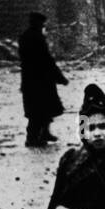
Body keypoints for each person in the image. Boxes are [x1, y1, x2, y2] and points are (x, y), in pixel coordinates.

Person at [19, 12, 67, 147]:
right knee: (39, 110)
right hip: (40, 79)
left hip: (32, 79)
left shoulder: (26, 37)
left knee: (40, 109)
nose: (42, 26)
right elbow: (46, 59)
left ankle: (43, 133)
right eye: (41, 24)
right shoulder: (36, 38)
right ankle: (32, 137)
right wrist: (60, 77)